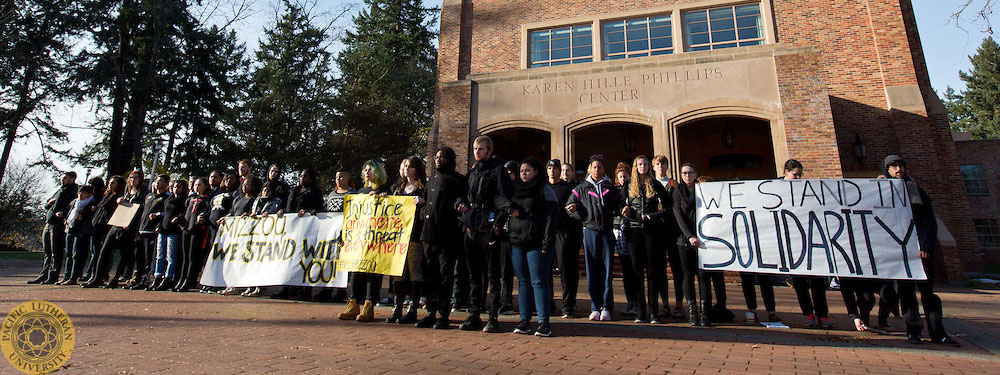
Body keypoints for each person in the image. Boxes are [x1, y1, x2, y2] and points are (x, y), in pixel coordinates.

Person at [883, 155, 960, 347]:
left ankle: (938, 333)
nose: (898, 169)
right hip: (901, 252)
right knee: (906, 293)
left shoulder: (918, 193)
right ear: (887, 170)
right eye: (893, 167)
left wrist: (926, 245)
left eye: (900, 165)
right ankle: (914, 332)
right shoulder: (882, 192)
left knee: (929, 294)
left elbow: (928, 222)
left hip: (921, 251)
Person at [494, 157, 558, 337]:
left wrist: (547, 241)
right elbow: (499, 200)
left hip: (537, 243)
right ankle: (524, 320)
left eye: (527, 170)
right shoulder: (513, 190)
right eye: (521, 170)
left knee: (538, 281)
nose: (523, 173)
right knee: (522, 282)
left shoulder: (544, 189)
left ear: (536, 171)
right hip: (516, 242)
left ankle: (543, 321)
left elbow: (551, 217)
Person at [458, 136, 513, 332]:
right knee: (474, 274)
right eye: (475, 148)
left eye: (481, 149)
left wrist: (498, 224)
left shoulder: (497, 171)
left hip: (489, 228)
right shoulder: (472, 172)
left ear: (489, 151)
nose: (477, 152)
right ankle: (474, 314)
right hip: (472, 225)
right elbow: (463, 193)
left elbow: (504, 198)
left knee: (492, 274)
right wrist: (460, 204)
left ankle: (492, 317)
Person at [415, 146, 467, 329]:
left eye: (442, 157)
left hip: (447, 235)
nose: (438, 160)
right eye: (436, 157)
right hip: (428, 234)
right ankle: (431, 311)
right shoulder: (431, 181)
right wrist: (423, 212)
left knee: (446, 275)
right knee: (430, 274)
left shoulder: (458, 180)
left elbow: (461, 202)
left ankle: (444, 314)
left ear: (450, 159)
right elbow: (424, 202)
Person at [566, 154, 620, 321]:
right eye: (594, 167)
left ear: (604, 169)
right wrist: (579, 215)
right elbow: (569, 208)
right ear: (590, 169)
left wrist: (622, 211)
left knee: (607, 270)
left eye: (600, 167)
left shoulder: (610, 188)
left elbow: (619, 206)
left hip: (606, 233)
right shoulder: (581, 188)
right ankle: (594, 306)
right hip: (589, 232)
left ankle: (606, 307)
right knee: (592, 270)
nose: (597, 170)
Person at [621, 156, 671, 324]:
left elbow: (668, 207)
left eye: (645, 164)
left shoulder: (655, 185)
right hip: (634, 231)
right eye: (639, 164)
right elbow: (621, 205)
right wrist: (628, 211)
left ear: (649, 167)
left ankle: (654, 311)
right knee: (636, 271)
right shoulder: (628, 185)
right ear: (635, 167)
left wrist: (653, 216)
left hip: (651, 231)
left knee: (652, 271)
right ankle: (640, 311)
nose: (642, 167)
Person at [781, 160, 831, 329]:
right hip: (792, 244)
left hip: (812, 241)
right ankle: (807, 314)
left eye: (800, 175)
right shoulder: (775, 189)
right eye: (795, 175)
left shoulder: (807, 189)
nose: (798, 178)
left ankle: (822, 314)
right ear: (786, 172)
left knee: (818, 283)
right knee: (800, 284)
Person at [339, 161, 389, 322]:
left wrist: (385, 199)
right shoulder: (360, 192)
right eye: (365, 170)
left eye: (371, 170)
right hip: (359, 238)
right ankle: (353, 303)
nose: (367, 173)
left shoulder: (384, 191)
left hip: (375, 240)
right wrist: (343, 235)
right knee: (355, 271)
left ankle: (369, 304)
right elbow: (351, 217)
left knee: (372, 272)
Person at [83, 171, 149, 289]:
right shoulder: (127, 191)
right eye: (131, 178)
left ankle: (116, 279)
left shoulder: (143, 193)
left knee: (125, 254)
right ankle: (97, 278)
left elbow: (141, 210)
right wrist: (120, 201)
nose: (133, 180)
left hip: (129, 227)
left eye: (136, 178)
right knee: (104, 250)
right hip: (117, 223)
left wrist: (132, 224)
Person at [385, 156, 427, 325]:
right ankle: (397, 307)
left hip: (415, 234)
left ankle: (412, 308)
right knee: (399, 272)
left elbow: (428, 205)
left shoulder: (423, 187)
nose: (407, 170)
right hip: (399, 235)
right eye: (405, 167)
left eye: (410, 167)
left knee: (414, 270)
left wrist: (423, 202)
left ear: (417, 169)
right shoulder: (399, 188)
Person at [673, 163, 712, 326]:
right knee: (687, 275)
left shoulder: (703, 191)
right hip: (684, 240)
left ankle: (705, 313)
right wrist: (689, 236)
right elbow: (678, 214)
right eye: (684, 173)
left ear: (696, 174)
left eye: (690, 172)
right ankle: (692, 312)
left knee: (703, 276)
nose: (687, 175)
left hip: (703, 239)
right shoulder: (677, 192)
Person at [694, 175, 733, 324]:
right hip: (701, 245)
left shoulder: (720, 203)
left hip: (717, 245)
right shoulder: (695, 203)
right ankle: (706, 309)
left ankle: (721, 307)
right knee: (703, 278)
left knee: (718, 278)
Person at [547, 159, 582, 319]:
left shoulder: (568, 188)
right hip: (546, 233)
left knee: (566, 270)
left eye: (555, 168)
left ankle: (567, 305)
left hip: (563, 232)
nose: (552, 171)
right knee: (546, 270)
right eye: (550, 168)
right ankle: (548, 304)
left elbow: (578, 208)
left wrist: (575, 208)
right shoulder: (543, 188)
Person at [30, 171, 78, 284]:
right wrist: (50, 203)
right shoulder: (59, 190)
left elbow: (73, 206)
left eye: (65, 178)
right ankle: (44, 274)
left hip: (58, 224)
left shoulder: (73, 191)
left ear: (72, 179)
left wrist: (63, 212)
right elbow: (47, 205)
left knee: (55, 251)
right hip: (49, 222)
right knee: (47, 251)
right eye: (62, 178)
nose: (62, 180)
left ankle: (53, 275)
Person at [316, 167, 356, 302]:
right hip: (329, 234)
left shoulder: (353, 194)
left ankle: (339, 290)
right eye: (336, 177)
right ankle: (326, 288)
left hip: (344, 233)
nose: (338, 180)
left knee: (341, 262)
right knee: (328, 260)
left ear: (348, 178)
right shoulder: (331, 194)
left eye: (341, 177)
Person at [652, 155, 685, 319]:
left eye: (663, 164)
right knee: (659, 269)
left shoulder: (674, 184)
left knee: (677, 268)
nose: (660, 166)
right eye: (657, 164)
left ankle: (679, 304)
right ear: (654, 166)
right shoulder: (651, 184)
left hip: (673, 230)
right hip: (657, 230)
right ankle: (664, 303)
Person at [82, 175, 125, 283]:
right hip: (97, 225)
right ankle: (93, 274)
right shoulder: (106, 195)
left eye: (113, 183)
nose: (110, 185)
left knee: (105, 251)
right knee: (95, 252)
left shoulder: (119, 197)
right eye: (110, 183)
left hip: (107, 227)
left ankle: (102, 274)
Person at [128, 173, 168, 290]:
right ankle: (137, 278)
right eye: (156, 181)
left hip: (152, 231)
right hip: (141, 229)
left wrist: (158, 216)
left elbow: (168, 213)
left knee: (148, 257)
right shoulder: (149, 196)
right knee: (138, 256)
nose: (157, 183)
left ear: (166, 184)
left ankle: (146, 279)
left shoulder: (166, 197)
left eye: (160, 181)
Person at [149, 180, 189, 291]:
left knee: (170, 256)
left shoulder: (183, 200)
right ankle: (158, 276)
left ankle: (168, 277)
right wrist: (159, 224)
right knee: (159, 254)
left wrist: (178, 218)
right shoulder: (168, 199)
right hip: (163, 228)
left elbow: (184, 212)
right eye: (174, 187)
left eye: (178, 187)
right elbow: (164, 213)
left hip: (174, 230)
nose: (176, 189)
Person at [612, 162, 640, 317]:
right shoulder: (616, 193)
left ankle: (638, 302)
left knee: (635, 269)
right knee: (626, 271)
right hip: (620, 233)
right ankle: (630, 302)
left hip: (634, 232)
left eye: (625, 176)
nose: (622, 179)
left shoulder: (634, 191)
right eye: (620, 177)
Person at [175, 177, 212, 292]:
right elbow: (184, 211)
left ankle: (189, 279)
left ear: (205, 186)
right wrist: (180, 221)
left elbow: (208, 212)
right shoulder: (190, 199)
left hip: (197, 231)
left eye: (199, 185)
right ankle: (181, 278)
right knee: (185, 256)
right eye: (195, 185)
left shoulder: (206, 199)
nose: (196, 187)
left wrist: (203, 217)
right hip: (187, 229)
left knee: (192, 257)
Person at [60, 185, 97, 285]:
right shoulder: (75, 202)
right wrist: (66, 220)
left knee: (77, 255)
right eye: (79, 193)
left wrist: (87, 212)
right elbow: (67, 212)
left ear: (89, 194)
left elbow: (92, 217)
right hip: (71, 229)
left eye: (84, 193)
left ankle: (74, 277)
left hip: (82, 231)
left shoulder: (92, 203)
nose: (81, 195)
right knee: (69, 254)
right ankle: (66, 276)